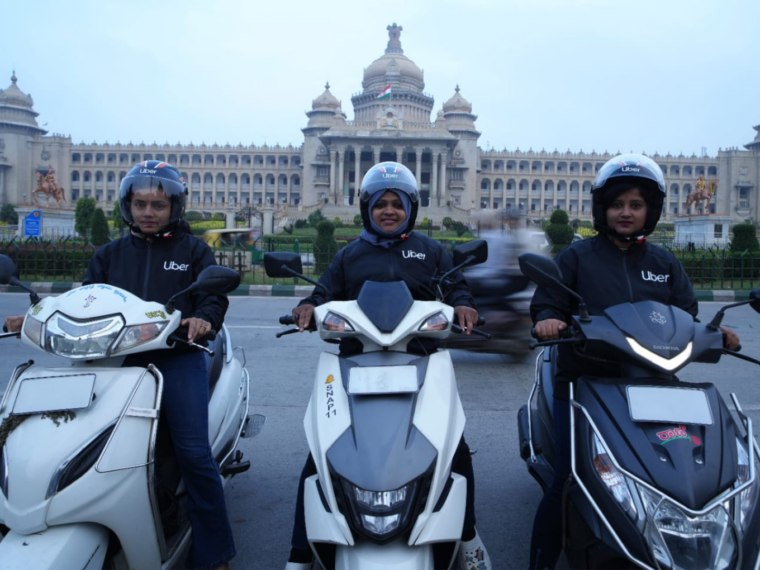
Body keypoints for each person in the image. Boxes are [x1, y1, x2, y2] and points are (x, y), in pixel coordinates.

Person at [5, 160, 236, 570]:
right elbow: (83, 302)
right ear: (128, 206)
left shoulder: (193, 251)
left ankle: (214, 554)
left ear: (175, 207)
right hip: (113, 360)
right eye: (140, 204)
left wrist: (203, 319)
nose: (148, 212)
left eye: (158, 205)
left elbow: (213, 298)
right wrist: (38, 316)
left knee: (193, 454)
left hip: (177, 358)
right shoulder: (109, 255)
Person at [527, 153, 740, 570]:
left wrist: (716, 334)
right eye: (617, 204)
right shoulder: (577, 257)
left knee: (681, 472)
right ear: (602, 209)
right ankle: (541, 562)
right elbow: (549, 301)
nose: (625, 212)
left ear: (650, 211)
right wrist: (549, 320)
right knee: (568, 477)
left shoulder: (664, 264)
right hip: (585, 381)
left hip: (654, 381)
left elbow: (685, 317)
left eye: (636, 205)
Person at [284, 162, 492, 570]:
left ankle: (467, 537)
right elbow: (323, 292)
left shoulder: (430, 251)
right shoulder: (350, 255)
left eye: (397, 204)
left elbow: (457, 288)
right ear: (367, 208)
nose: (389, 211)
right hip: (356, 361)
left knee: (455, 451)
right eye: (381, 204)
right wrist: (308, 306)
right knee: (321, 454)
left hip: (420, 359)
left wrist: (464, 305)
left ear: (411, 208)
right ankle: (299, 552)